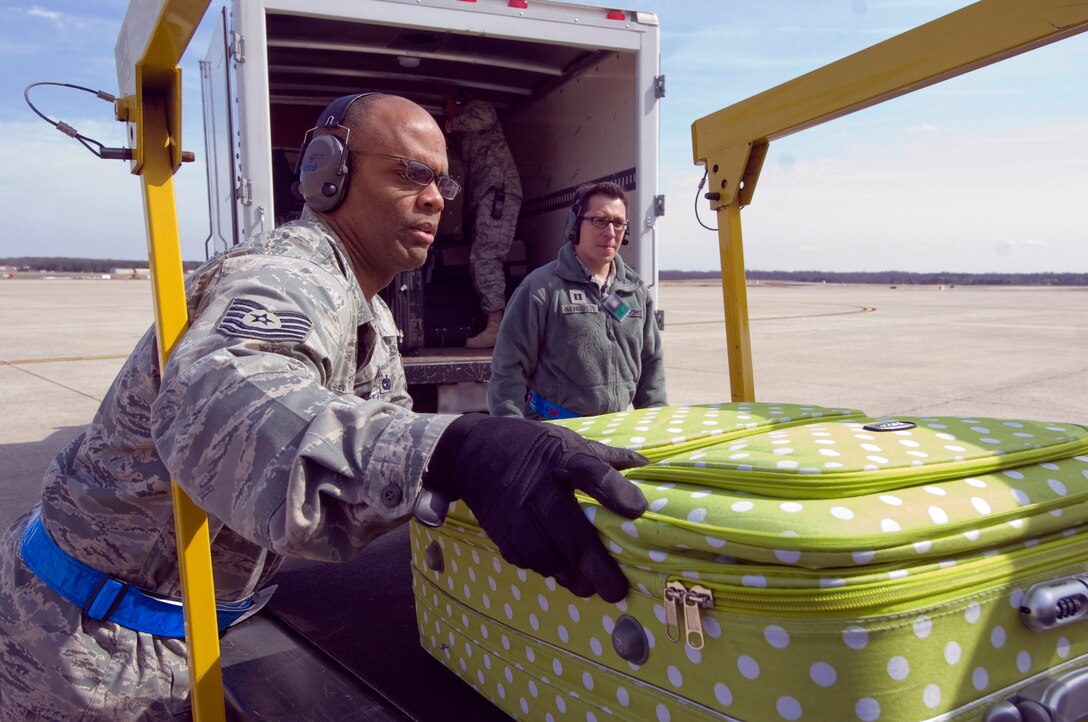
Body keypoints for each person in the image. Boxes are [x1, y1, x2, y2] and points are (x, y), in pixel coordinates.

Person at [0, 94, 647, 721]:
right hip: (75, 648)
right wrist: (458, 449)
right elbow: (226, 415)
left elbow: (383, 454)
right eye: (411, 172)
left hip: (177, 637)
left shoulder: (372, 317)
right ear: (327, 174)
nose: (433, 197)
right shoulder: (286, 275)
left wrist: (463, 463)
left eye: (443, 184)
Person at [489, 181, 667, 420]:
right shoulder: (541, 289)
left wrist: (656, 422)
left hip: (616, 429)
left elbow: (651, 363)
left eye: (618, 223)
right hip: (554, 431)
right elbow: (508, 368)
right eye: (600, 221)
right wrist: (511, 433)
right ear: (575, 225)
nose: (611, 232)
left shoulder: (634, 291)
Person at [443, 88, 522, 348]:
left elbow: (482, 119)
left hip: (498, 192)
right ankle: (492, 322)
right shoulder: (463, 138)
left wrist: (450, 123)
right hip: (486, 196)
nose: (448, 109)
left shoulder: (479, 109)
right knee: (478, 259)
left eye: (451, 103)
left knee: (486, 257)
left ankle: (497, 327)